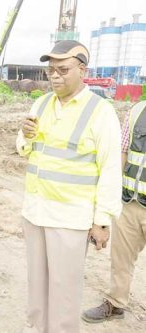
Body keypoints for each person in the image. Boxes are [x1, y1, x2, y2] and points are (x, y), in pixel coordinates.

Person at [16, 40, 122, 332]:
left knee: (63, 292)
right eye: (51, 70)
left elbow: (111, 168)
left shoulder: (100, 111)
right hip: (36, 213)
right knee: (37, 288)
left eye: (63, 70)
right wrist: (24, 136)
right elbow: (24, 150)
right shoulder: (41, 103)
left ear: (82, 70)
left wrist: (102, 221)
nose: (55, 76)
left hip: (70, 218)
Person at [82, 100, 146, 323]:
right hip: (130, 202)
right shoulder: (137, 110)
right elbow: (123, 152)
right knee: (121, 259)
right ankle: (116, 303)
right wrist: (110, 197)